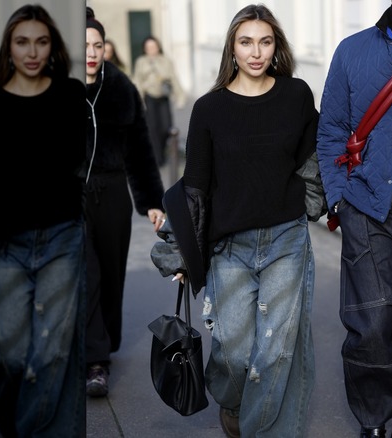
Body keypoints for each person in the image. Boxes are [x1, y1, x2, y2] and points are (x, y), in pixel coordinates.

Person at [151, 4, 318, 437]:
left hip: (286, 239)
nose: (256, 52)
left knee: (275, 351)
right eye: (246, 42)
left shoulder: (296, 95)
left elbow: (313, 158)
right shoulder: (209, 108)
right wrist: (180, 253)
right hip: (230, 248)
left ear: (276, 46)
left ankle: (258, 428)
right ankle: (233, 402)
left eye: (265, 41)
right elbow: (195, 186)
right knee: (235, 354)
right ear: (232, 48)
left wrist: (315, 205)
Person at [0, 4, 86, 436]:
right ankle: (12, 399)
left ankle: (28, 426)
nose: (32, 51)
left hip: (62, 239)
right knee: (10, 352)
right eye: (22, 41)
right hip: (5, 246)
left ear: (53, 47)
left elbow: (84, 163)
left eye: (41, 41)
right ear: (9, 48)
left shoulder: (69, 95)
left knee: (51, 354)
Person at [316, 1, 392, 437]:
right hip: (368, 207)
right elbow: (332, 130)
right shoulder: (351, 50)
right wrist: (339, 198)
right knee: (371, 324)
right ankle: (374, 420)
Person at [84, 7, 166, 398]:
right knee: (87, 274)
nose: (91, 52)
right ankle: (94, 360)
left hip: (112, 193)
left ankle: (104, 345)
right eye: (84, 45)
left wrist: (150, 200)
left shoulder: (120, 88)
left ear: (106, 49)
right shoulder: (56, 88)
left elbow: (141, 149)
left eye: (97, 45)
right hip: (71, 198)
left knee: (112, 273)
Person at [132, 35, 185, 167]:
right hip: (149, 97)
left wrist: (180, 96)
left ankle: (161, 150)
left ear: (158, 47)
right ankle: (158, 158)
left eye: (154, 46)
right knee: (152, 128)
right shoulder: (141, 62)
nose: (151, 49)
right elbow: (137, 80)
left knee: (166, 127)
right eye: (148, 47)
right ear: (145, 49)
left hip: (163, 97)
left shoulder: (165, 61)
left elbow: (173, 78)